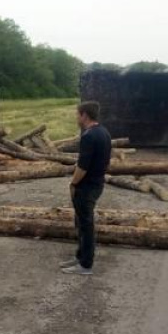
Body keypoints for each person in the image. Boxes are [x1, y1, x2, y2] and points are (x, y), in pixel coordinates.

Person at [61, 101, 112, 276]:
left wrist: (73, 183)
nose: (77, 117)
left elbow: (82, 167)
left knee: (86, 225)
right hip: (97, 183)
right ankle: (80, 256)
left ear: (85, 115)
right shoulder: (104, 132)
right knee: (81, 223)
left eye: (78, 114)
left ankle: (85, 265)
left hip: (87, 187)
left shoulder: (89, 136)